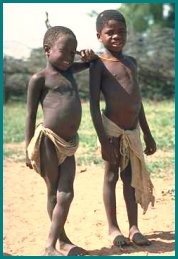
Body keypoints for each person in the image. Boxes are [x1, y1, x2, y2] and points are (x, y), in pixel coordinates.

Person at [25, 26, 95, 256]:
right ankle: (53, 244)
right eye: (63, 52)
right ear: (47, 50)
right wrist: (28, 148)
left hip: (69, 143)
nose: (68, 58)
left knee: (67, 194)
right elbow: (30, 115)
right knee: (53, 191)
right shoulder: (39, 79)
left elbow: (90, 63)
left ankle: (61, 242)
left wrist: (88, 55)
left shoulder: (71, 71)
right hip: (48, 141)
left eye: (71, 53)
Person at [89, 10, 157, 248]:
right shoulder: (98, 64)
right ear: (99, 35)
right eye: (110, 32)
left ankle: (133, 227)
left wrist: (147, 134)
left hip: (132, 130)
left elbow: (137, 101)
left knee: (129, 179)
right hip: (111, 129)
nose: (116, 36)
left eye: (121, 32)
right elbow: (94, 106)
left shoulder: (132, 63)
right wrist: (103, 140)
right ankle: (113, 228)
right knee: (110, 176)